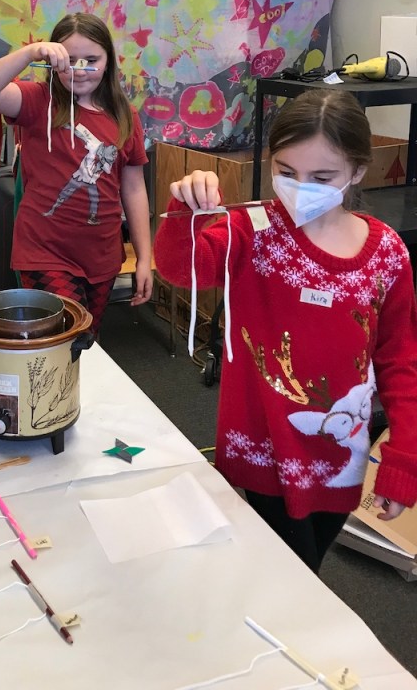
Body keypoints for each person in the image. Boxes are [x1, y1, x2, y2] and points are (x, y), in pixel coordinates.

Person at [154, 88, 417, 572]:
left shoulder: (386, 252)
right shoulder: (252, 228)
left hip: (340, 457)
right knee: (287, 575)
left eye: (322, 177)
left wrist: (404, 457)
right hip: (264, 452)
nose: (300, 189)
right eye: (286, 172)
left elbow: (400, 360)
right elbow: (180, 268)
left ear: (358, 171)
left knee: (301, 571)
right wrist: (184, 209)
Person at [0, 11, 152, 332]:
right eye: (69, 60)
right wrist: (30, 53)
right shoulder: (39, 101)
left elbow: (134, 189)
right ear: (54, 62)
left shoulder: (125, 115)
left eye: (91, 60)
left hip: (102, 257)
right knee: (65, 336)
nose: (79, 70)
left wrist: (144, 258)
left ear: (108, 61)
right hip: (45, 252)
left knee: (84, 341)